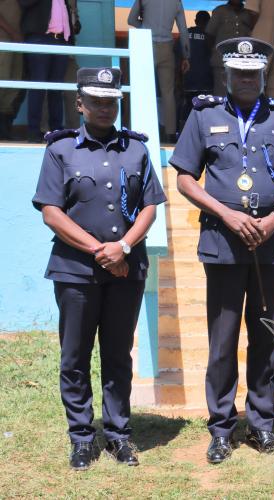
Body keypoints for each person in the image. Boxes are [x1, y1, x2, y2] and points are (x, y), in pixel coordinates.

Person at [170, 37, 274, 464]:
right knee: (223, 339)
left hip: (269, 244)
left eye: (254, 73)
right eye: (240, 73)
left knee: (265, 337)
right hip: (223, 242)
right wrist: (228, 215)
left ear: (264, 74)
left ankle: (262, 424)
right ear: (227, 75)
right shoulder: (204, 114)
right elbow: (184, 178)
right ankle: (220, 427)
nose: (247, 79)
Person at [31, 67, 167, 471]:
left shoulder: (137, 150)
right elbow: (52, 213)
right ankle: (81, 437)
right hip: (75, 271)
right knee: (74, 356)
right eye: (96, 101)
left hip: (126, 269)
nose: (105, 108)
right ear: (80, 104)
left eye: (111, 101)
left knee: (118, 355)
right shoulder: (60, 150)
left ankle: (119, 435)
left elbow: (149, 207)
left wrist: (123, 246)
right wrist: (99, 250)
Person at [127, 0, 190, 143]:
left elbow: (130, 19)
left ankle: (133, 129)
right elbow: (183, 29)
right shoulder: (176, 2)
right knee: (168, 93)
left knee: (140, 89)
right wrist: (186, 56)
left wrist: (144, 27)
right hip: (167, 46)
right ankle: (170, 133)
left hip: (146, 43)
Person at [19, 0, 80, 142]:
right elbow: (23, 3)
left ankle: (56, 131)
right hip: (39, 38)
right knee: (38, 87)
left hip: (60, 41)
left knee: (56, 89)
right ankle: (33, 132)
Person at [205, 0, 253, 97]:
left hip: (243, 63)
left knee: (241, 96)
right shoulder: (219, 11)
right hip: (221, 62)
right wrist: (216, 52)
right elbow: (209, 35)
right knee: (221, 97)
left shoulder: (249, 14)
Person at [179, 10, 213, 131]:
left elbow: (178, 53)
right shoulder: (211, 36)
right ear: (209, 22)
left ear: (195, 21)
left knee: (188, 108)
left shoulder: (186, 33)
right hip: (206, 82)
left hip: (189, 80)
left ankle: (184, 133)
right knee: (206, 110)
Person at [0, 0, 23, 139]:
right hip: (3, 39)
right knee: (2, 81)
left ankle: (3, 130)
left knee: (14, 85)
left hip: (19, 42)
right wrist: (12, 32)